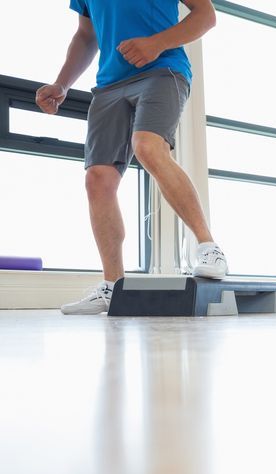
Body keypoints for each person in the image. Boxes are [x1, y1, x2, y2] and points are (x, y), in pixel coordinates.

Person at [37, 0, 228, 315]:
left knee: (148, 146)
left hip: (162, 70)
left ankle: (209, 247)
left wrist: (157, 43)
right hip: (109, 84)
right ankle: (114, 286)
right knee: (97, 178)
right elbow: (86, 35)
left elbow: (206, 15)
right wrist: (62, 83)